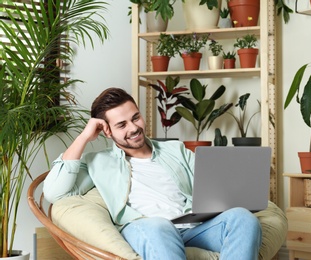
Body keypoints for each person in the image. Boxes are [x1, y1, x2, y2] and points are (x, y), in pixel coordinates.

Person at [43, 87, 262, 260]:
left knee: (243, 218)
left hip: (191, 227)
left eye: (135, 117)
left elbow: (210, 184)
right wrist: (83, 137)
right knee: (159, 225)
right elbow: (54, 193)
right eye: (122, 125)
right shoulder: (97, 162)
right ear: (106, 131)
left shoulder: (174, 150)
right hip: (146, 228)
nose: (133, 128)